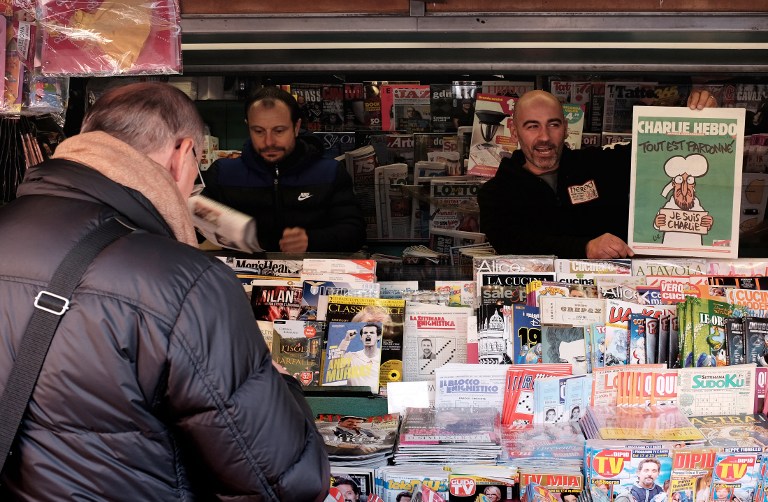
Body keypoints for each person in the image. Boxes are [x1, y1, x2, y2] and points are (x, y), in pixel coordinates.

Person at [0, 82, 329, 500]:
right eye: (196, 168)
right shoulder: (185, 282)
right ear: (182, 154)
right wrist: (283, 387)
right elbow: (286, 481)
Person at [478, 89, 718, 258]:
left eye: (553, 124)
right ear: (513, 129)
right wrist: (585, 248)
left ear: (565, 127)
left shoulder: (599, 165)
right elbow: (512, 242)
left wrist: (700, 117)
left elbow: (655, 151)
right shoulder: (496, 193)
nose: (544, 137)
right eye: (532, 126)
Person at [202, 86, 366, 253]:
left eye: (279, 131)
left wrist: (311, 240)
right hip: (238, 276)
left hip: (311, 275)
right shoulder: (223, 173)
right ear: (248, 126)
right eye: (258, 131)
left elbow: (355, 233)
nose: (269, 142)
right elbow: (192, 229)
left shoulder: (329, 172)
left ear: (296, 127)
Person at [336, 323, 382, 393]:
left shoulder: (383, 357)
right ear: (361, 337)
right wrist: (346, 340)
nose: (368, 334)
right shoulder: (353, 356)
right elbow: (335, 362)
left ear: (378, 337)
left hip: (378, 399)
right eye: (365, 333)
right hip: (357, 399)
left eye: (372, 333)